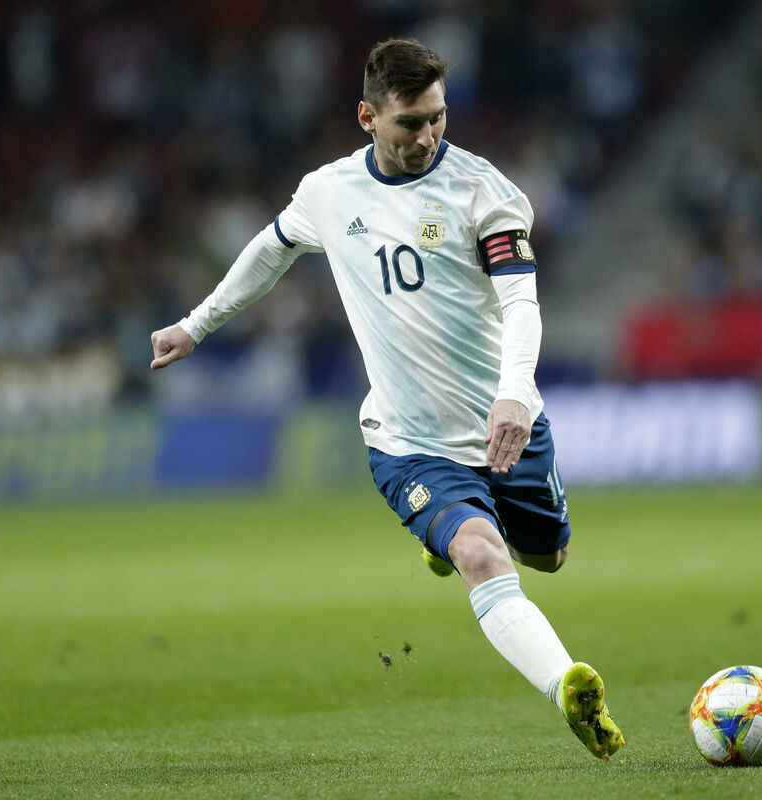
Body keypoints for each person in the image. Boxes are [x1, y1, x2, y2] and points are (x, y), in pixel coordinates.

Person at [149, 38, 624, 760]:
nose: (428, 136)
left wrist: (514, 393)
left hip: (503, 425)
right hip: (407, 441)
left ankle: (451, 538)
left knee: (548, 556)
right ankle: (568, 686)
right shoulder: (329, 192)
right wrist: (196, 325)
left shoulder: (486, 191)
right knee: (481, 553)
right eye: (410, 122)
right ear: (368, 117)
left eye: (438, 117)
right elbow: (272, 248)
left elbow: (521, 301)